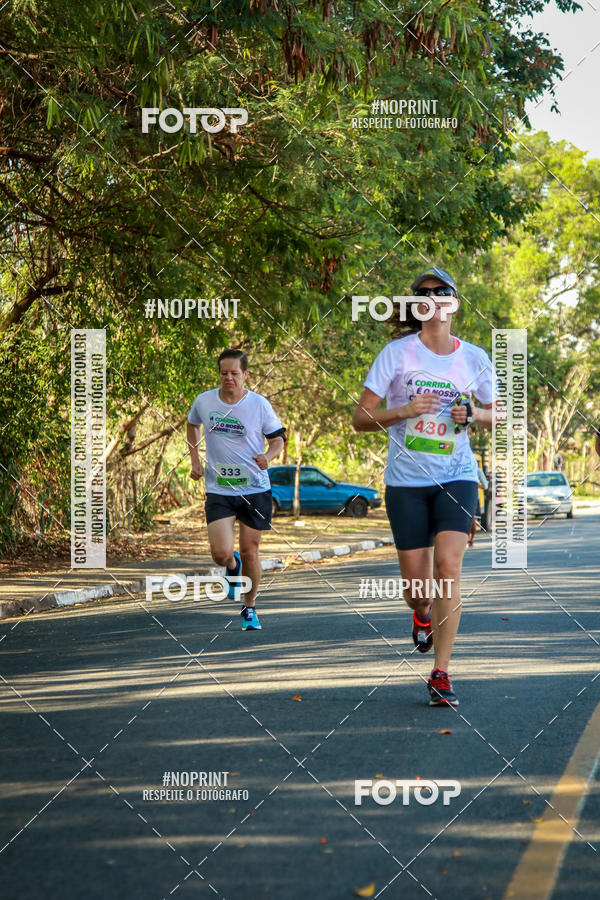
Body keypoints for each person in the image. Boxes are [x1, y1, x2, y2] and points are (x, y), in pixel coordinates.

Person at [353, 266, 496, 707]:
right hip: (406, 484)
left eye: (442, 291)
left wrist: (473, 416)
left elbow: (501, 413)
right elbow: (360, 420)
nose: (433, 297)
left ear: (453, 302)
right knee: (417, 591)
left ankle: (441, 672)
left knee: (448, 568)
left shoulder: (473, 358)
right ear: (417, 305)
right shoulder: (396, 355)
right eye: (424, 293)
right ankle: (422, 615)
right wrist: (403, 409)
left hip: (456, 476)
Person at [186, 349, 285, 630]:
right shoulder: (204, 401)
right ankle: (231, 567)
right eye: (224, 373)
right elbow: (192, 424)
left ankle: (250, 608)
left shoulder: (260, 405)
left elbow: (278, 438)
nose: (228, 378)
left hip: (255, 489)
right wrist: (195, 459)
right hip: (219, 489)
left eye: (234, 373)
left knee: (251, 551)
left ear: (245, 375)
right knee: (220, 552)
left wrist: (269, 456)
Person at [468, 466, 490, 547]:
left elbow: (485, 486)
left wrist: (477, 485)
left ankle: (470, 539)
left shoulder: (477, 470)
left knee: (473, 521)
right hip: (460, 498)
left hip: (473, 498)